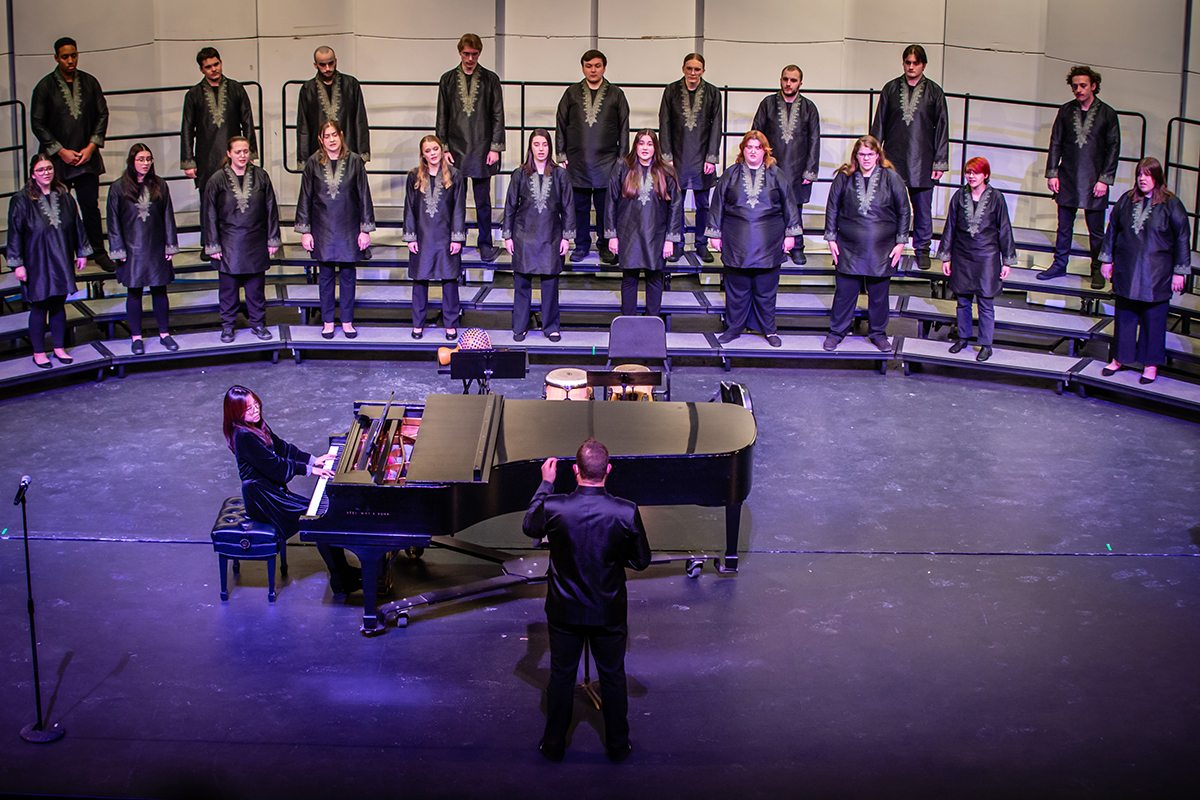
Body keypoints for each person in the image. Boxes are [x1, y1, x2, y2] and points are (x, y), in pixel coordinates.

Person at [522, 438, 651, 764]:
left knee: (561, 677)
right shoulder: (625, 511)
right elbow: (640, 561)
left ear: (575, 470)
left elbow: (529, 525)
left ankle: (553, 746)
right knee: (612, 676)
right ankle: (618, 747)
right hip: (607, 610)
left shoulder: (555, 507)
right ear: (608, 470)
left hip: (564, 610)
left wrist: (546, 483)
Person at [222, 386, 361, 596]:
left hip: (271, 491)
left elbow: (281, 447)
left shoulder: (256, 425)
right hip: (261, 498)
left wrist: (314, 459)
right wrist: (311, 470)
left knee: (322, 517)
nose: (255, 411)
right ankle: (341, 581)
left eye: (256, 404)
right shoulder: (244, 436)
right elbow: (276, 467)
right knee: (318, 519)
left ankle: (343, 572)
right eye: (248, 409)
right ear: (235, 413)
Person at [1098, 157, 1190, 384]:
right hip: (1127, 270)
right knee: (1125, 317)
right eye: (1140, 174)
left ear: (1157, 177)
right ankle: (1120, 358)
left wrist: (1180, 271)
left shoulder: (1171, 204)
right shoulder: (1126, 200)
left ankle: (1150, 365)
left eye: (1147, 175)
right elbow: (1112, 231)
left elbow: (1182, 238)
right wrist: (1106, 259)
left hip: (1156, 274)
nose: (1142, 178)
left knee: (1153, 320)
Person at [706, 131, 800, 347]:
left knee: (766, 290)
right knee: (736, 290)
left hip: (769, 241)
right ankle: (734, 328)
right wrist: (714, 233)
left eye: (757, 147)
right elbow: (717, 204)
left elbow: (790, 205)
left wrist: (791, 235)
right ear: (743, 150)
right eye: (749, 147)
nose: (753, 151)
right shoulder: (731, 174)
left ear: (764, 150)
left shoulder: (776, 174)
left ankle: (769, 330)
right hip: (736, 240)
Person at [823, 135, 911, 353]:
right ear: (856, 156)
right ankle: (836, 332)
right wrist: (831, 238)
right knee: (844, 293)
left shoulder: (891, 177)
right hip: (849, 246)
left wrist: (900, 242)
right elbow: (832, 207)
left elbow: (904, 210)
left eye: (870, 154)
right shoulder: (845, 177)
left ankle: (878, 334)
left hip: (882, 248)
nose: (866, 158)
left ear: (877, 155)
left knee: (879, 295)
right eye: (861, 154)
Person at [30, 36, 112, 271]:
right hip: (58, 162)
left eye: (73, 55)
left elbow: (102, 115)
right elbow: (37, 123)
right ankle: (63, 254)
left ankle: (97, 251)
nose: (70, 60)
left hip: (87, 158)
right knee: (59, 209)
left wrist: (91, 147)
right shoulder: (45, 87)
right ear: (56, 57)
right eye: (65, 56)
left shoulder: (89, 82)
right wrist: (61, 151)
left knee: (90, 207)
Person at [7, 153, 90, 368]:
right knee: (39, 306)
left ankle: (59, 347)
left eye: (49, 169)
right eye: (41, 170)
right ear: (33, 174)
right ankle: (38, 351)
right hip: (37, 261)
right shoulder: (21, 199)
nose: (46, 173)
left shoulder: (64, 195)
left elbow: (76, 225)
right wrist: (18, 264)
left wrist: (81, 251)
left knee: (58, 305)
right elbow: (15, 233)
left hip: (61, 257)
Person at [1040, 65, 1120, 289]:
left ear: (1093, 86)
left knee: (1096, 230)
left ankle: (1097, 269)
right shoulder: (1065, 111)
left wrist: (1105, 179)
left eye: (1083, 85)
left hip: (1095, 179)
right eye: (1075, 86)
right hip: (1068, 176)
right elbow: (1055, 142)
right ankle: (1059, 264)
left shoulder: (1107, 114)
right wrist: (1052, 173)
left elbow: (1113, 148)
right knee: (1064, 226)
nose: (1078, 90)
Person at [869, 44, 948, 269]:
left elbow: (942, 127)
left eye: (915, 63)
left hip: (923, 159)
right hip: (893, 157)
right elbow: (879, 123)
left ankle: (922, 249)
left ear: (923, 64)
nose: (911, 67)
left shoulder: (934, 92)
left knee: (922, 208)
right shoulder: (891, 89)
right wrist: (875, 154)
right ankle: (888, 246)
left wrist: (939, 162)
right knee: (889, 205)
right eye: (908, 63)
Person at [294, 120, 374, 339]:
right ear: (321, 139)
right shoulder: (312, 163)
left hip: (349, 227)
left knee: (348, 276)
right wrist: (306, 231)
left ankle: (347, 321)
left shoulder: (355, 161)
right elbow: (306, 197)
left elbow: (364, 195)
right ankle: (328, 322)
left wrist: (365, 229)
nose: (331, 139)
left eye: (334, 135)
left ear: (341, 135)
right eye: (327, 136)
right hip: (322, 228)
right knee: (326, 276)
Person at [937, 157, 1017, 362]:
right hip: (962, 255)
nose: (971, 176)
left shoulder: (996, 198)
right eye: (968, 172)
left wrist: (1007, 260)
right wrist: (946, 257)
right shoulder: (959, 196)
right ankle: (963, 337)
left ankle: (986, 344)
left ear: (986, 175)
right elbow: (950, 227)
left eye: (976, 173)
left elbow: (1005, 228)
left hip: (987, 258)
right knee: (963, 300)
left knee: (985, 302)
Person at [202, 137, 281, 343]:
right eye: (238, 152)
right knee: (228, 290)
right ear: (228, 153)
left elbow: (270, 209)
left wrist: (272, 239)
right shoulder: (217, 180)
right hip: (228, 243)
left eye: (245, 151)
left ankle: (258, 323)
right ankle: (228, 326)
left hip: (255, 240)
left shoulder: (261, 176)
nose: (242, 155)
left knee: (255, 288)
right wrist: (213, 244)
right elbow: (209, 213)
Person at [182, 46, 257, 256]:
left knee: (235, 198)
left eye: (216, 64)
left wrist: (249, 154)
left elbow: (248, 123)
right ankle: (208, 244)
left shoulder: (236, 89)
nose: (213, 69)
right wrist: (189, 161)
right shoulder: (194, 95)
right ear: (201, 69)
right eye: (208, 67)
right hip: (205, 157)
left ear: (221, 62)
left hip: (234, 157)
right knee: (208, 201)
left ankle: (233, 241)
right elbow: (187, 129)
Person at [556, 50, 630, 265]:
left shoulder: (616, 94)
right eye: (589, 66)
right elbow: (560, 123)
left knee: (605, 207)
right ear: (583, 67)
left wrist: (622, 159)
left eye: (597, 65)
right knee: (579, 207)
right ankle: (580, 245)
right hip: (576, 161)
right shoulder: (571, 93)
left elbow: (624, 128)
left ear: (604, 67)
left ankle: (605, 246)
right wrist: (561, 153)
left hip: (607, 163)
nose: (593, 69)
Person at [106, 144, 180, 355]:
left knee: (159, 290)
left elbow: (168, 216)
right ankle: (136, 337)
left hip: (156, 246)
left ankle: (164, 334)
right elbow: (113, 222)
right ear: (132, 161)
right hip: (131, 249)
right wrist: (118, 250)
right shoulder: (118, 187)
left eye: (148, 159)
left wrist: (170, 244)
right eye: (141, 159)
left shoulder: (160, 185)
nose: (145, 163)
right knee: (134, 292)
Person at [437, 33, 505, 263]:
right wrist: (443, 147)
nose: (470, 58)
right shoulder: (447, 80)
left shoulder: (490, 80)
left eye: (474, 54)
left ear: (480, 53)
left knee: (482, 201)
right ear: (459, 52)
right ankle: (454, 240)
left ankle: (485, 242)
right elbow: (442, 116)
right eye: (466, 54)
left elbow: (498, 115)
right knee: (453, 198)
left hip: (482, 147)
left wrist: (495, 147)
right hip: (454, 148)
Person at [502, 129, 574, 342]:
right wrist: (507, 236)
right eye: (536, 144)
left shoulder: (560, 174)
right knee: (522, 282)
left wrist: (566, 237)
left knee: (550, 284)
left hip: (551, 235)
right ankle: (520, 326)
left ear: (549, 147)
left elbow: (568, 207)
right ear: (530, 147)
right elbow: (510, 206)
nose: (541, 149)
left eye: (544, 144)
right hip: (524, 235)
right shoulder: (519, 174)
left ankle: (551, 326)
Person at [605, 130, 682, 317]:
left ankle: (652, 323)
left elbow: (676, 206)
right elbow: (610, 202)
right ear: (635, 146)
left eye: (649, 143)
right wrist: (612, 235)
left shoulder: (667, 170)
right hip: (628, 233)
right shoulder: (622, 167)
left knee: (655, 279)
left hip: (657, 234)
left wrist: (670, 239)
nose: (645, 148)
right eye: (641, 143)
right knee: (629, 279)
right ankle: (628, 323)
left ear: (655, 146)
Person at [753, 65, 821, 265]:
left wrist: (810, 170)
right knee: (770, 208)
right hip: (772, 167)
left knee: (795, 208)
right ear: (780, 80)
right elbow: (756, 134)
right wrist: (759, 165)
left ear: (800, 83)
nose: (788, 83)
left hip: (798, 167)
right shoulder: (767, 104)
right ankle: (773, 247)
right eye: (785, 79)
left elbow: (814, 140)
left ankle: (797, 247)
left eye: (793, 80)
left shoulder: (809, 108)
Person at [658, 53, 721, 264]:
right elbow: (664, 123)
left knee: (703, 203)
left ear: (703, 70)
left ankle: (702, 245)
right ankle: (677, 244)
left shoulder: (713, 93)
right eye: (689, 68)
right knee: (676, 202)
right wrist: (667, 156)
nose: (693, 73)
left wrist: (711, 157)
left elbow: (716, 126)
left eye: (697, 69)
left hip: (702, 156)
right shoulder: (671, 91)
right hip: (678, 156)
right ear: (683, 69)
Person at [403, 135, 466, 340]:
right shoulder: (413, 176)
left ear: (441, 150)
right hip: (422, 236)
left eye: (435, 149)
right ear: (423, 154)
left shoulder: (455, 175)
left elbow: (459, 207)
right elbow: (409, 208)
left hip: (446, 237)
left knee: (449, 281)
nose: (432, 154)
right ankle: (418, 325)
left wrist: (457, 237)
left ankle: (450, 325)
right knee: (420, 281)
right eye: (428, 150)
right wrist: (411, 236)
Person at [295, 46, 370, 167]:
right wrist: (303, 160)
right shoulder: (308, 89)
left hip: (348, 151)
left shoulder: (351, 85)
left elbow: (360, 120)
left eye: (330, 63)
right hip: (318, 155)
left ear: (336, 61)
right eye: (322, 65)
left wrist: (363, 154)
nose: (327, 68)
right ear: (315, 65)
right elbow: (303, 127)